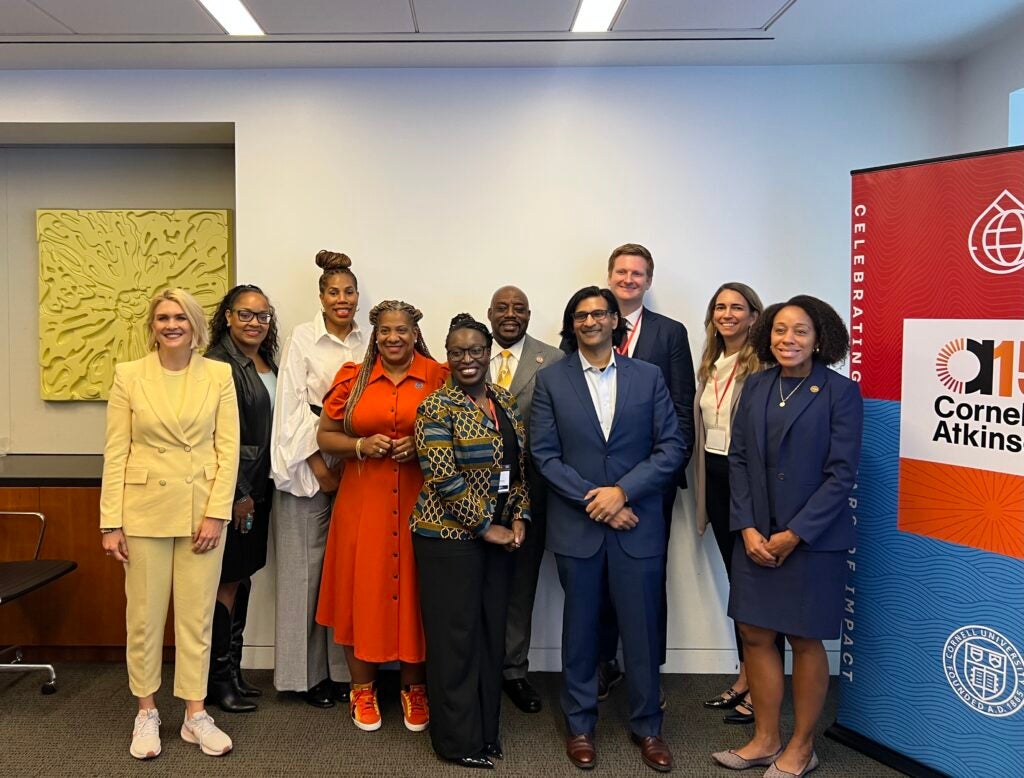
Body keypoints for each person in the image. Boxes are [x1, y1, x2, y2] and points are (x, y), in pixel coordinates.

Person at [532, 286, 685, 773]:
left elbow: (671, 446)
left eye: (600, 313)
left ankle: (648, 726)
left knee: (640, 630)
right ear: (572, 324)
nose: (591, 321)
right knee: (578, 631)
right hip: (579, 528)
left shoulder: (649, 376)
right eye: (582, 315)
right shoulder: (551, 380)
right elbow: (544, 455)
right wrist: (597, 501)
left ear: (616, 320)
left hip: (637, 523)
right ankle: (580, 724)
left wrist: (622, 492)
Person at [712, 295, 862, 778]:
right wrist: (749, 527)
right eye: (779, 330)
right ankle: (765, 739)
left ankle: (801, 746)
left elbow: (842, 475)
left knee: (804, 638)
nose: (788, 339)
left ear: (820, 338)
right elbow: (737, 460)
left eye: (800, 331)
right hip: (755, 535)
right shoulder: (756, 385)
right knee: (755, 633)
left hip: (813, 542)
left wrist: (794, 534)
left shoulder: (840, 392)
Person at [100, 288, 239, 759]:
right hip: (143, 511)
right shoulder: (129, 375)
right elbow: (116, 450)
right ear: (152, 326)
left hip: (201, 511)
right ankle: (147, 714)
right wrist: (109, 522)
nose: (171, 324)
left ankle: (195, 716)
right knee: (142, 619)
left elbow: (228, 449)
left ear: (195, 325)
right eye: (162, 317)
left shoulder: (218, 374)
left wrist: (218, 513)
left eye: (180, 316)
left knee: (197, 619)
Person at [315, 300, 447, 733]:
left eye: (402, 330)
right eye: (385, 330)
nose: (393, 337)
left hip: (421, 506)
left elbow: (461, 432)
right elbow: (326, 435)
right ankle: (363, 688)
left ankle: (415, 687)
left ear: (415, 333)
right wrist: (358, 447)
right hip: (362, 505)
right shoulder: (352, 379)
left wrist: (422, 444)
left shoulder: (437, 376)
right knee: (362, 589)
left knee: (417, 590)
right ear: (375, 334)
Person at [412, 313, 530, 769]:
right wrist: (487, 527)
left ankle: (485, 732)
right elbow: (444, 478)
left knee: (488, 637)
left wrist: (519, 516)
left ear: (488, 354)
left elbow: (517, 469)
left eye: (475, 350)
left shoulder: (503, 399)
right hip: (447, 539)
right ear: (447, 357)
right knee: (454, 641)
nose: (467, 359)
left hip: (499, 540)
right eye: (457, 352)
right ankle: (456, 742)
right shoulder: (435, 408)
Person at [594, 243, 695, 701]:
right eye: (621, 271)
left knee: (648, 576)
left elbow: (680, 408)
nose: (628, 279)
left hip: (651, 482)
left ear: (648, 281)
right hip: (595, 481)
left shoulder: (669, 333)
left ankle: (646, 671)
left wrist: (645, 480)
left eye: (637, 273)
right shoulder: (586, 323)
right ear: (610, 275)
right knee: (598, 576)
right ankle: (603, 663)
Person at [270, 250, 364, 708]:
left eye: (349, 292)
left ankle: (347, 673)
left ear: (358, 297)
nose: (342, 299)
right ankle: (303, 678)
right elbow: (290, 408)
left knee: (344, 575)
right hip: (307, 459)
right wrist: (320, 468)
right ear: (321, 296)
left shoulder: (369, 340)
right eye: (334, 292)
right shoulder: (303, 338)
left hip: (359, 458)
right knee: (303, 575)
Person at [693, 282, 783, 726]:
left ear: (753, 315)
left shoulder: (765, 363)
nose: (727, 314)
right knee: (739, 585)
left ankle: (764, 688)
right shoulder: (711, 363)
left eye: (737, 307)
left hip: (749, 480)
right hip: (716, 477)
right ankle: (746, 676)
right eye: (720, 307)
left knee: (759, 591)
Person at [485, 285, 563, 714]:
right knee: (474, 582)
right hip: (474, 494)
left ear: (530, 314)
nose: (510, 314)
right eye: (502, 308)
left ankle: (513, 670)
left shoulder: (551, 360)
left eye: (518, 308)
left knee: (520, 583)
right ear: (490, 313)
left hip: (529, 490)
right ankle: (477, 665)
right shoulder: (470, 351)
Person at [204, 284, 279, 713]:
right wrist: (238, 494)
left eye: (263, 315)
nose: (255, 323)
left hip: (261, 485)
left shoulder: (263, 360)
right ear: (228, 317)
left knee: (243, 576)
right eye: (246, 314)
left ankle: (232, 671)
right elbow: (216, 437)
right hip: (238, 491)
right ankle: (217, 680)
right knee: (227, 581)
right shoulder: (217, 364)